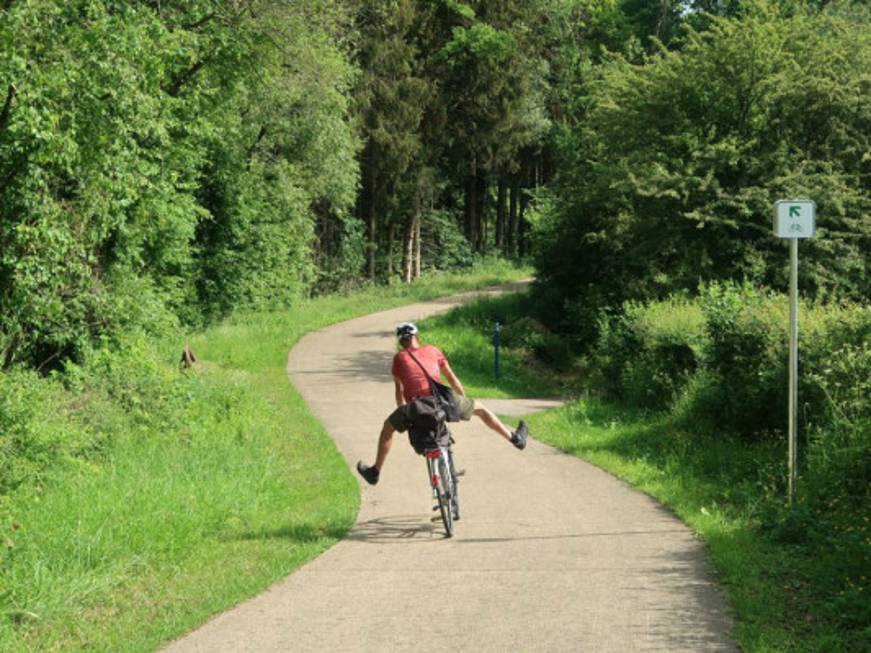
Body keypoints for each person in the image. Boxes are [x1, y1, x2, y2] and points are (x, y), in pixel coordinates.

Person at [356, 322, 529, 485]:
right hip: (442, 402)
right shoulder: (432, 350)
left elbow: (399, 391)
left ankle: (375, 472)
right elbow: (452, 379)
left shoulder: (399, 358)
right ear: (417, 336)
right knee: (481, 409)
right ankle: (516, 439)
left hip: (416, 407)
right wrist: (464, 400)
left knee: (387, 429)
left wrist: (403, 411)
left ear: (401, 341)